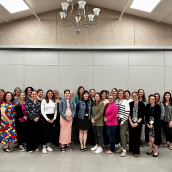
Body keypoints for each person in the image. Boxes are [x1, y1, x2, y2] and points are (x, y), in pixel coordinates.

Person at [128, 92, 145, 157]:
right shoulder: (130, 104)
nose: (134, 97)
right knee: (131, 136)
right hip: (131, 122)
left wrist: (137, 122)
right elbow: (128, 114)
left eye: (135, 96)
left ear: (138, 96)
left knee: (137, 137)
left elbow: (142, 115)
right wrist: (131, 122)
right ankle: (131, 150)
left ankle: (136, 151)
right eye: (133, 96)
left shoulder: (142, 104)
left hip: (138, 122)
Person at [41, 90, 57, 154]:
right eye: (49, 93)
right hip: (45, 118)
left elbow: (56, 110)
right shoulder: (44, 101)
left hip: (52, 118)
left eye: (51, 93)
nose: (50, 94)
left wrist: (54, 118)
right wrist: (47, 119)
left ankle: (48, 146)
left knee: (49, 133)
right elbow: (42, 111)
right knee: (45, 133)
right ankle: (44, 147)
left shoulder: (54, 101)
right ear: (47, 94)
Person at [115, 89, 130, 157]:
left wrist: (123, 121)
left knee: (122, 134)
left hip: (123, 119)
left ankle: (124, 150)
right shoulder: (117, 101)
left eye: (121, 93)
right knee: (119, 134)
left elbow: (127, 112)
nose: (120, 94)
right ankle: (121, 148)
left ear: (123, 94)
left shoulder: (125, 101)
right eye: (119, 93)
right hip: (117, 119)